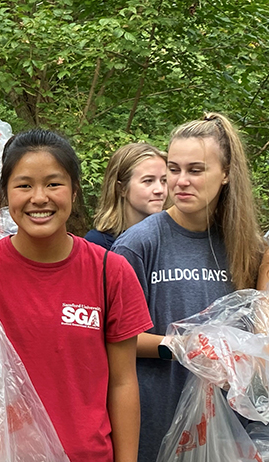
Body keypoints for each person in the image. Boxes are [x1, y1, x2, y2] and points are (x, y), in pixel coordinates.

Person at [0, 129, 152, 462]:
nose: (39, 198)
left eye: (54, 184)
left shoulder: (111, 271)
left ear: (75, 191)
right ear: (5, 194)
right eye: (24, 185)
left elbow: (123, 382)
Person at [111, 112, 268, 461]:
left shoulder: (250, 249)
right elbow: (114, 339)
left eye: (195, 170)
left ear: (226, 174)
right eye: (174, 168)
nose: (180, 181)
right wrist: (182, 347)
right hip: (158, 426)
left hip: (232, 433)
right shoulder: (138, 244)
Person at [85, 143, 167, 249]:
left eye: (164, 180)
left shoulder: (173, 239)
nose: (160, 190)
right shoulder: (97, 245)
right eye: (148, 181)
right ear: (122, 188)